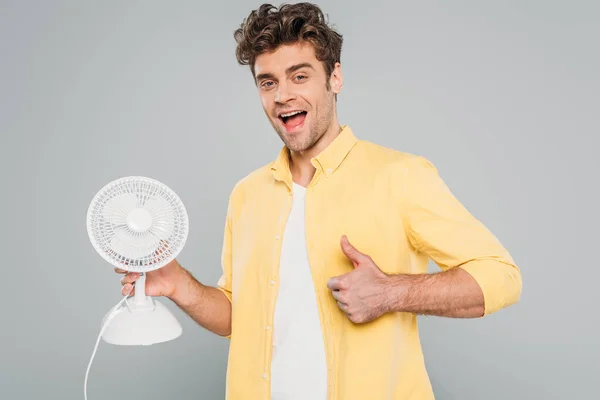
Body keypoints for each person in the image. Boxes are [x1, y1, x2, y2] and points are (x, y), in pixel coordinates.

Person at [116, 3, 523, 399]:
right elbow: (239, 317)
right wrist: (178, 284)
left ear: (335, 78)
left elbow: (501, 277)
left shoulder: (400, 175)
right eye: (268, 82)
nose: (282, 96)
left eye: (299, 76)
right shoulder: (247, 194)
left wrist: (391, 292)